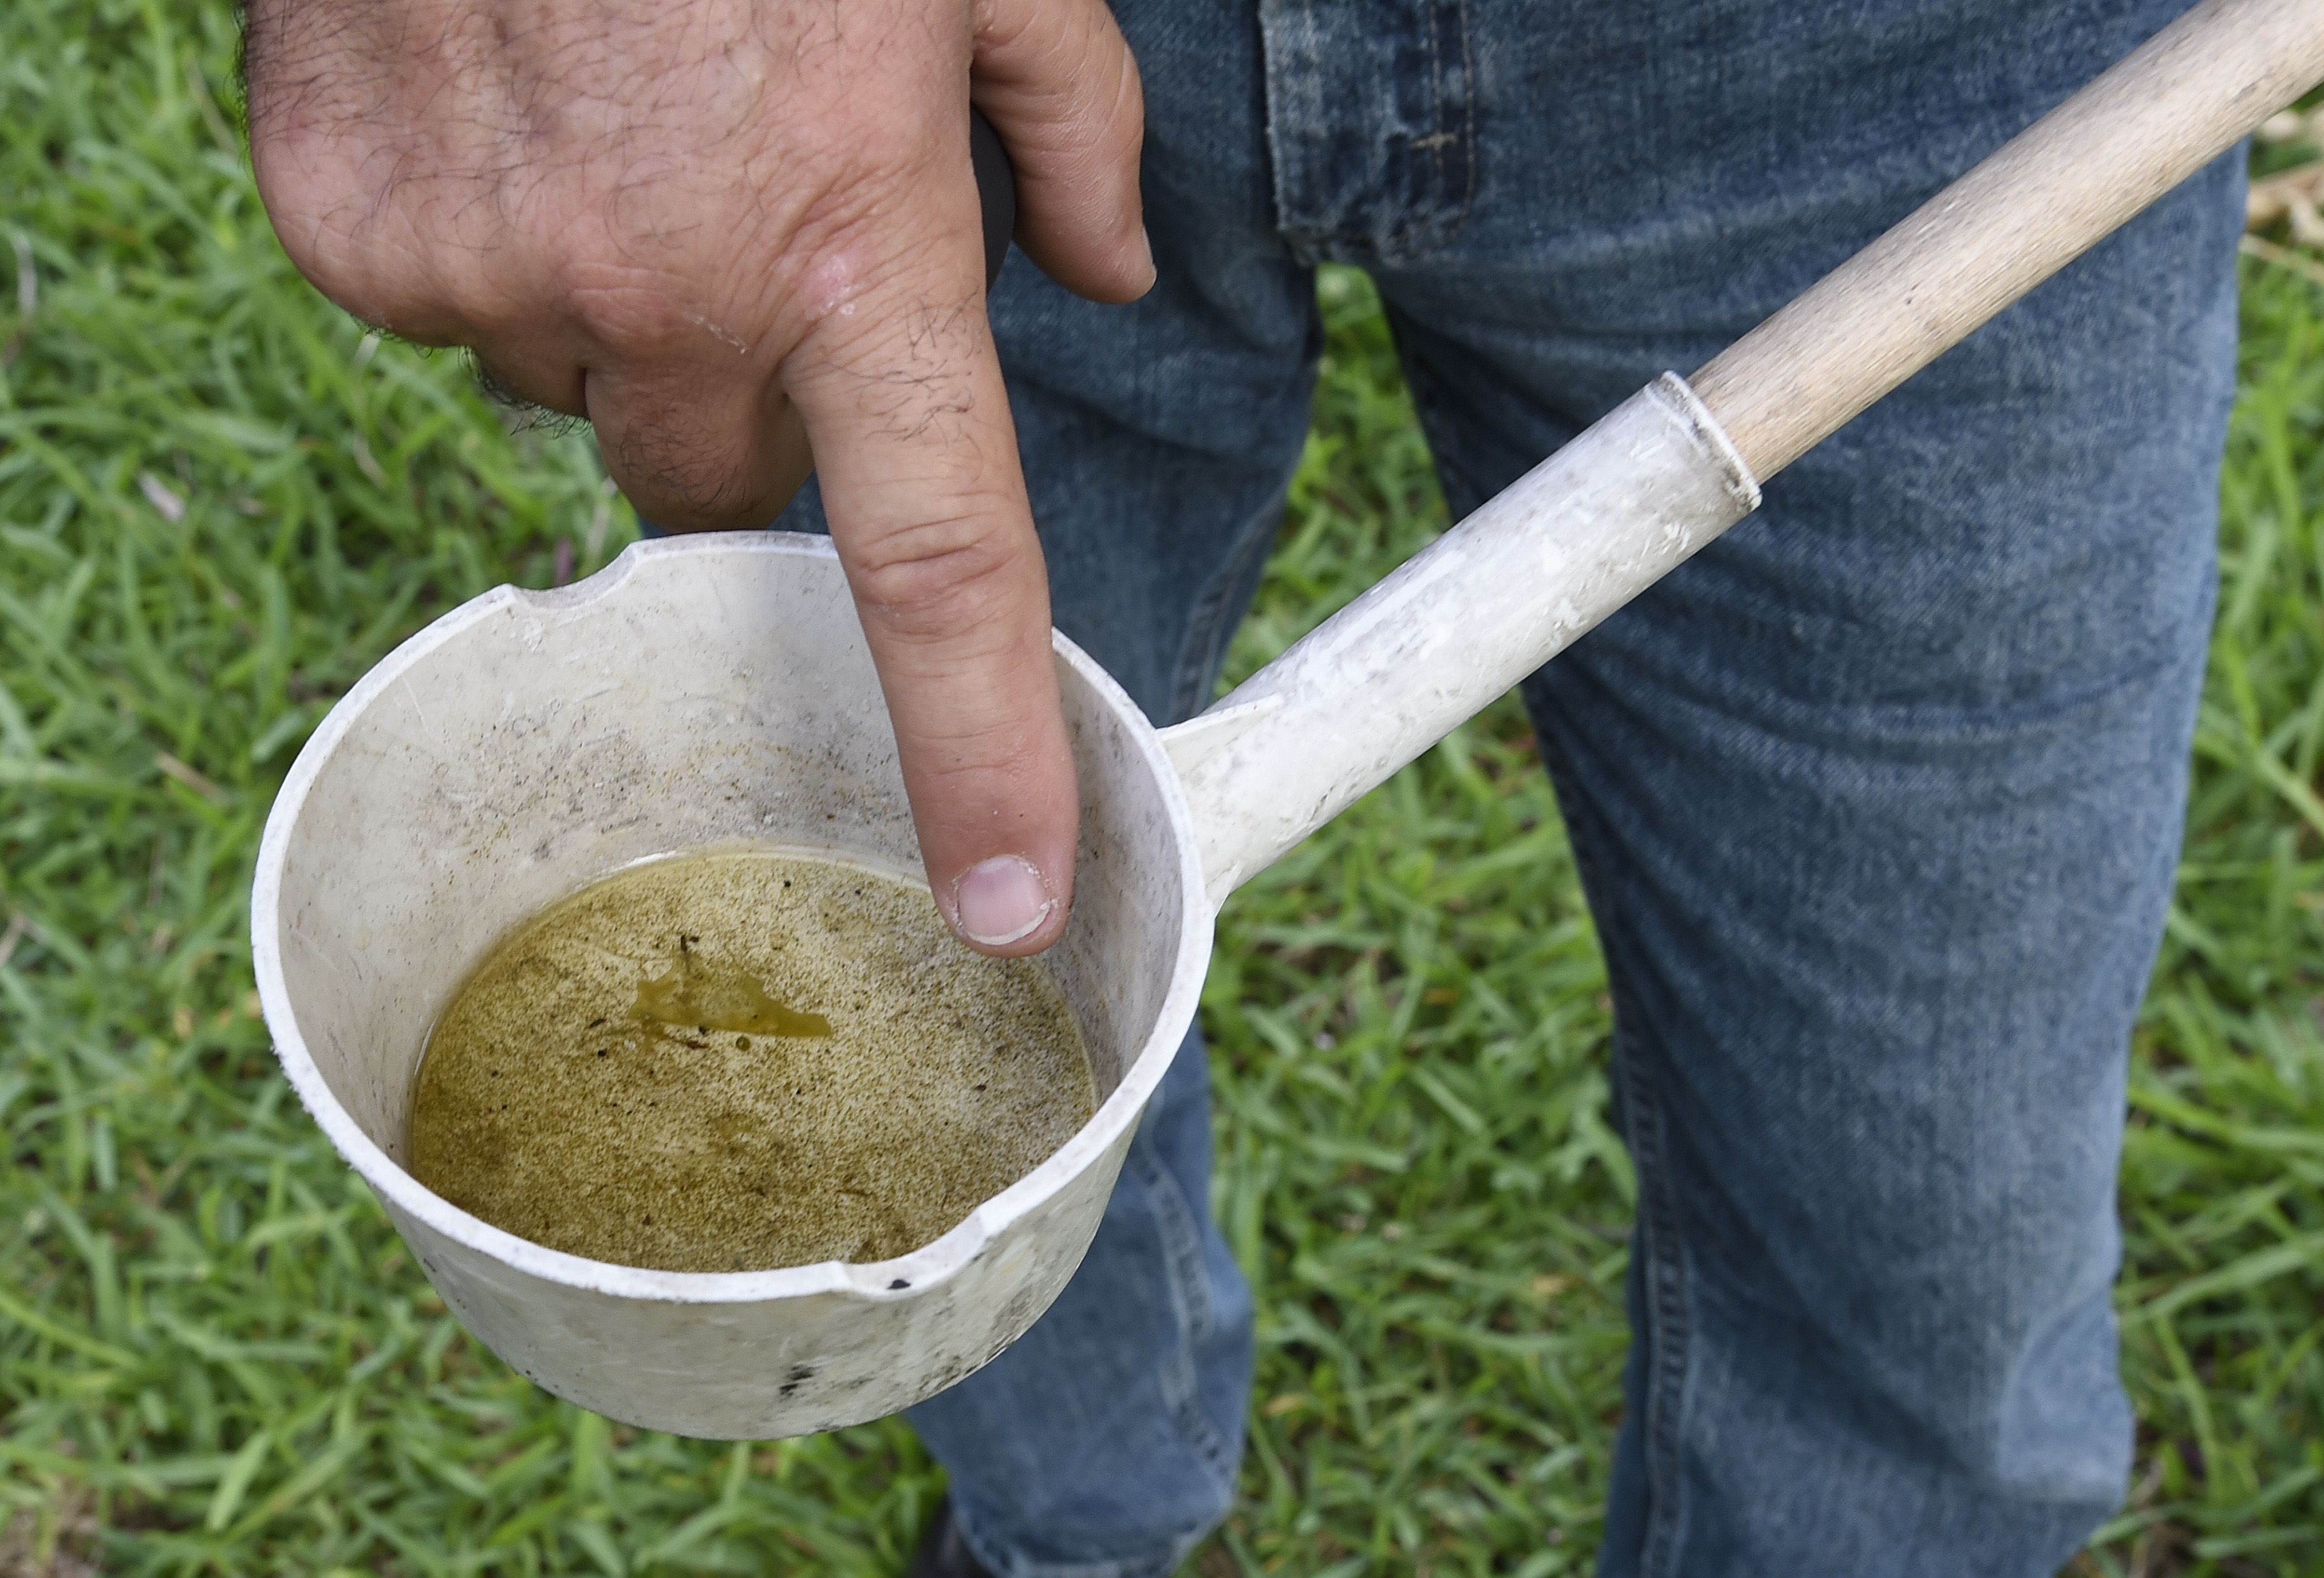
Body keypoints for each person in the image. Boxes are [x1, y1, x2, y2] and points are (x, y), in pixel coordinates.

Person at [239, 0, 2244, 1573]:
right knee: (972, 957)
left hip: (1914, 65)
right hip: (899, 67)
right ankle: (1078, 1525)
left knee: (1919, 1178)